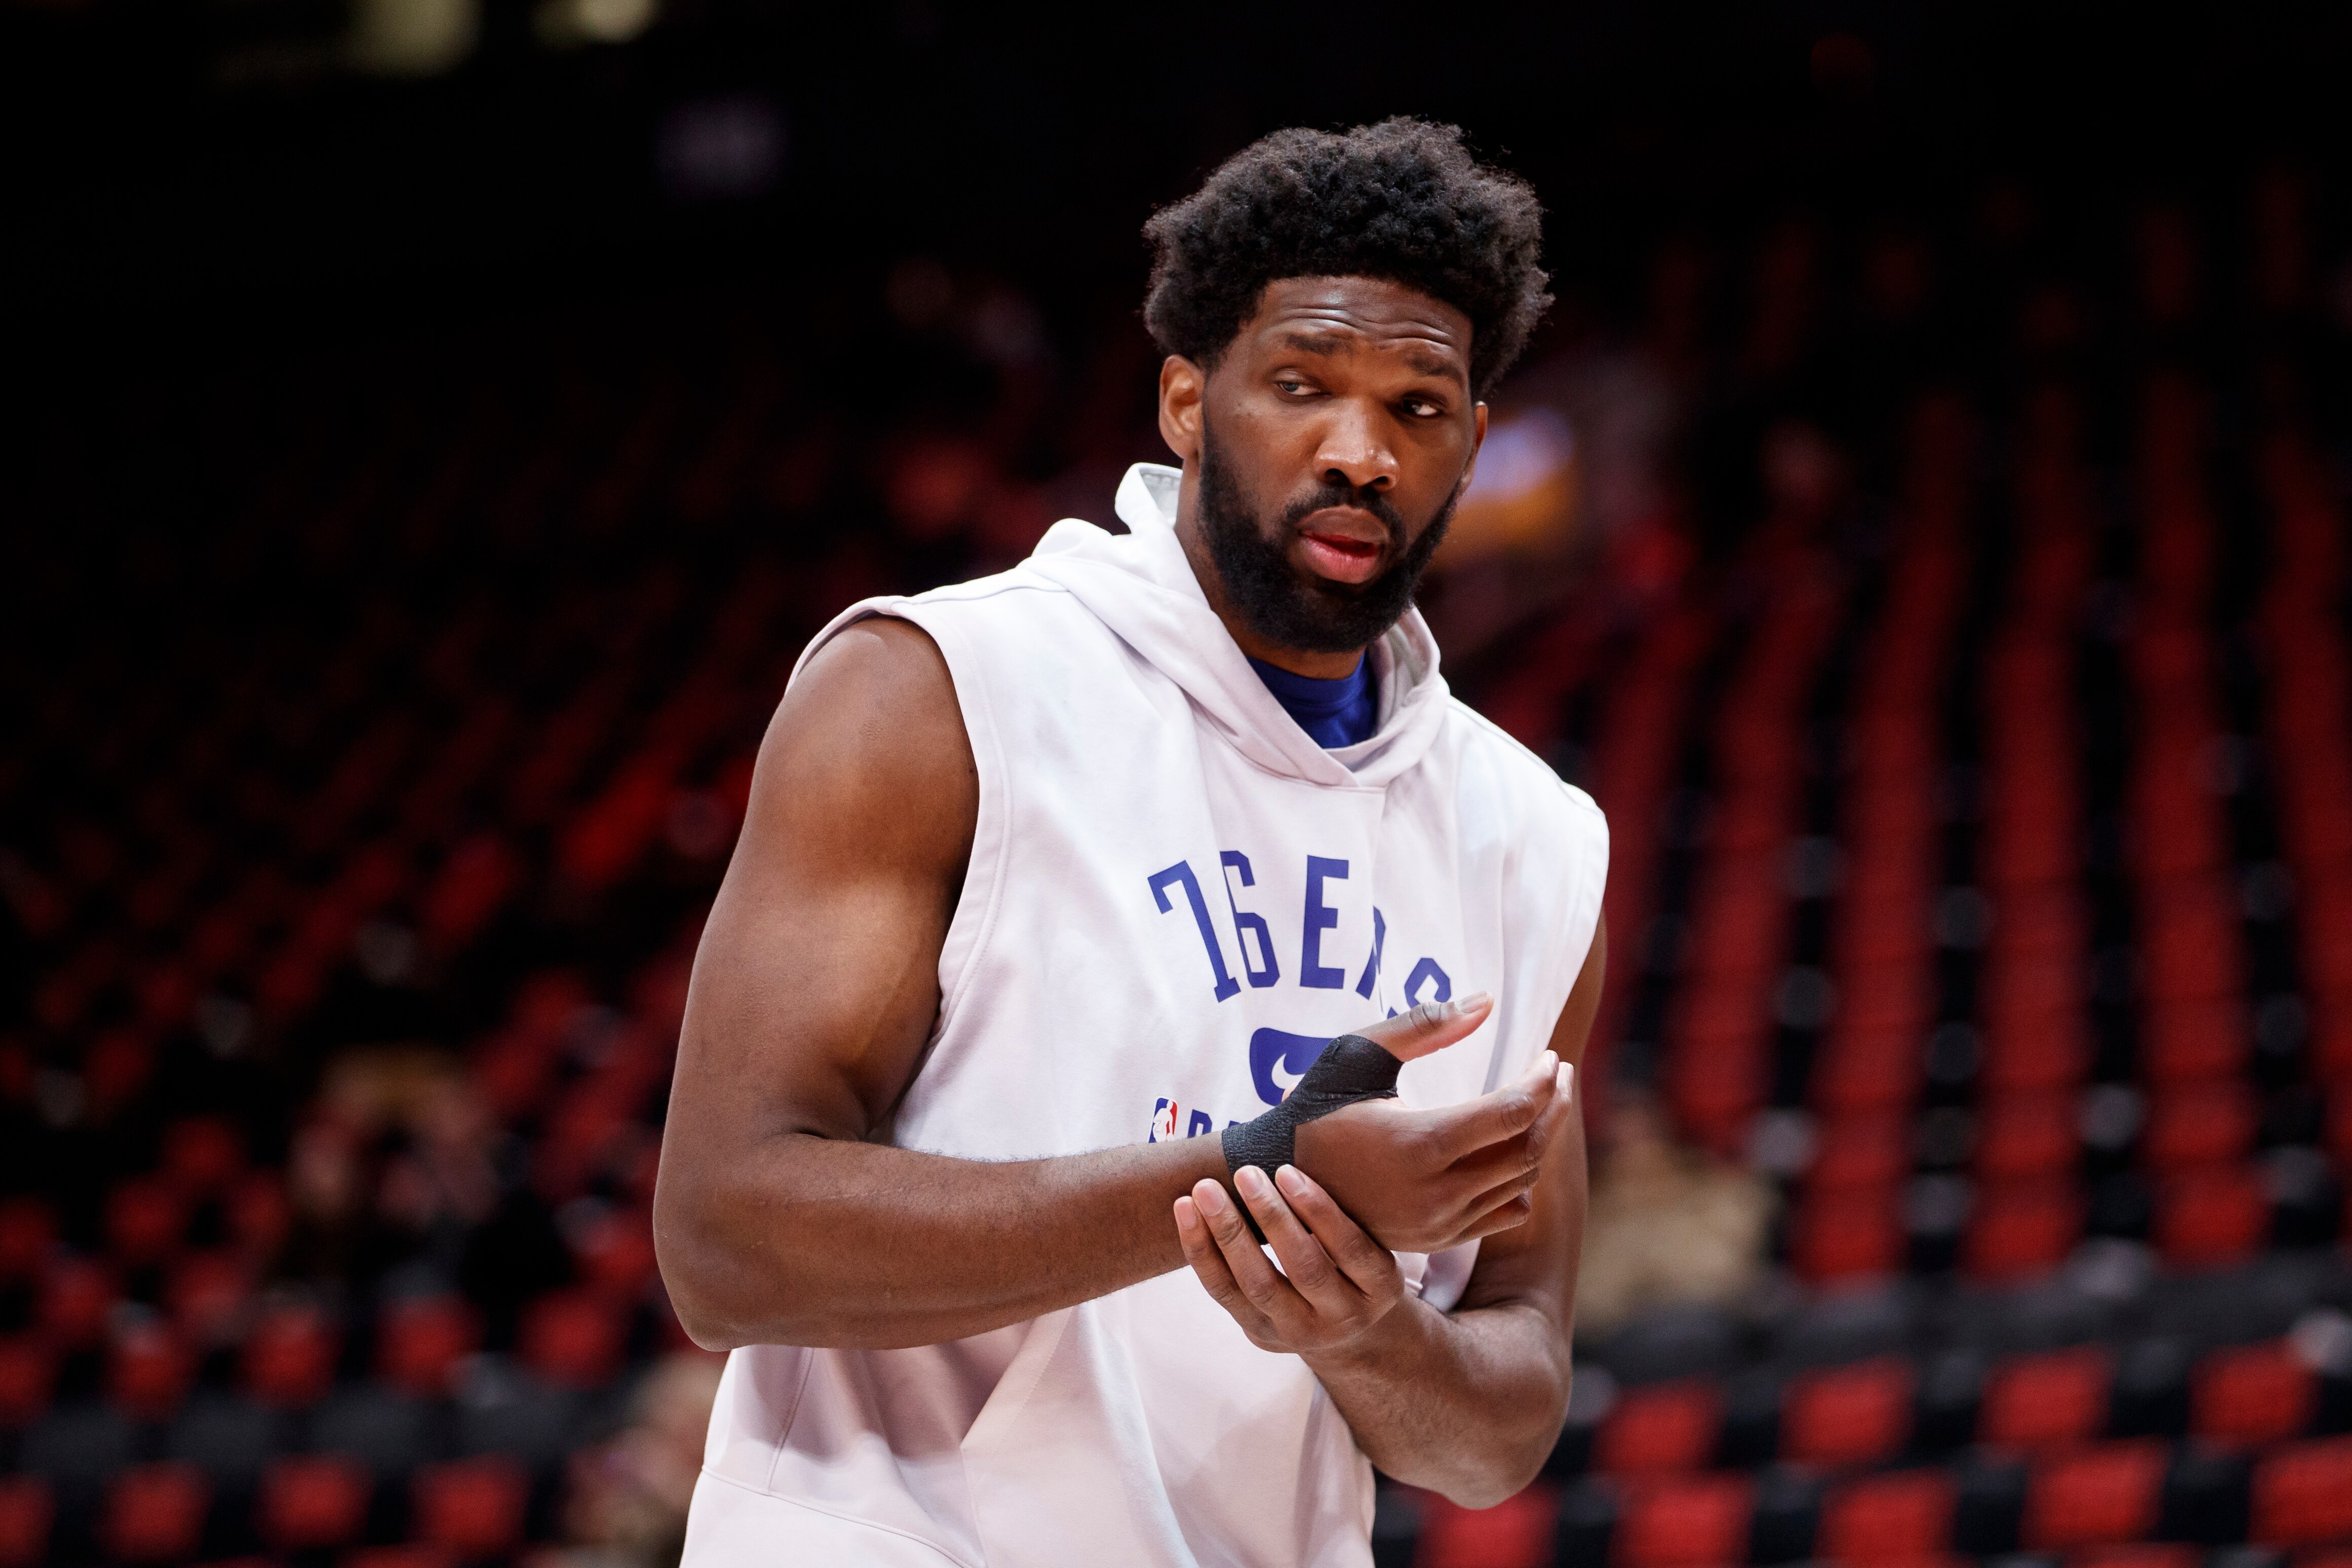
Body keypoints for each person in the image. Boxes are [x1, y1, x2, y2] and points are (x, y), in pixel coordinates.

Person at [655, 118, 1609, 1567]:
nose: (1359, 451)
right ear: (1184, 402)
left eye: (1420, 408)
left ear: (1472, 444)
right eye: (1302, 387)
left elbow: (1499, 1428)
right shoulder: (937, 691)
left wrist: (1361, 1320)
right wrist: (1258, 1178)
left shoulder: (1535, 844)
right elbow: (726, 1241)